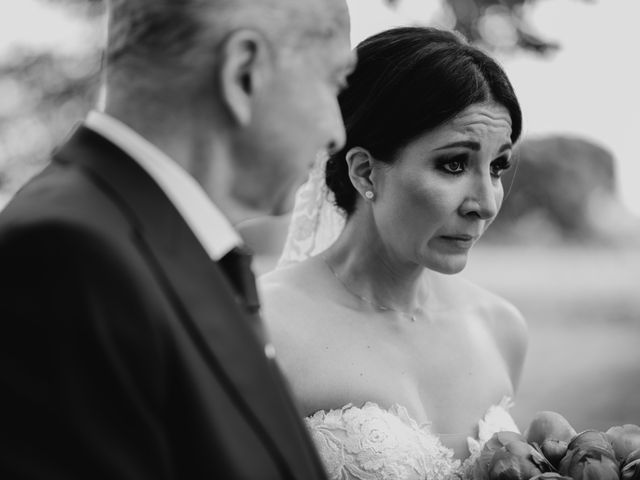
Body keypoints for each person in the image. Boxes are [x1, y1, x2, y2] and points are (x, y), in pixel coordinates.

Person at [0, 0, 355, 478]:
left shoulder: (168, 245)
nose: (336, 133)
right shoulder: (66, 258)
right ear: (244, 71)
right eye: (334, 82)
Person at [260, 26, 528, 480]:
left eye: (497, 166)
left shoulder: (502, 329)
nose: (484, 203)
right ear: (365, 171)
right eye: (455, 164)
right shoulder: (265, 326)